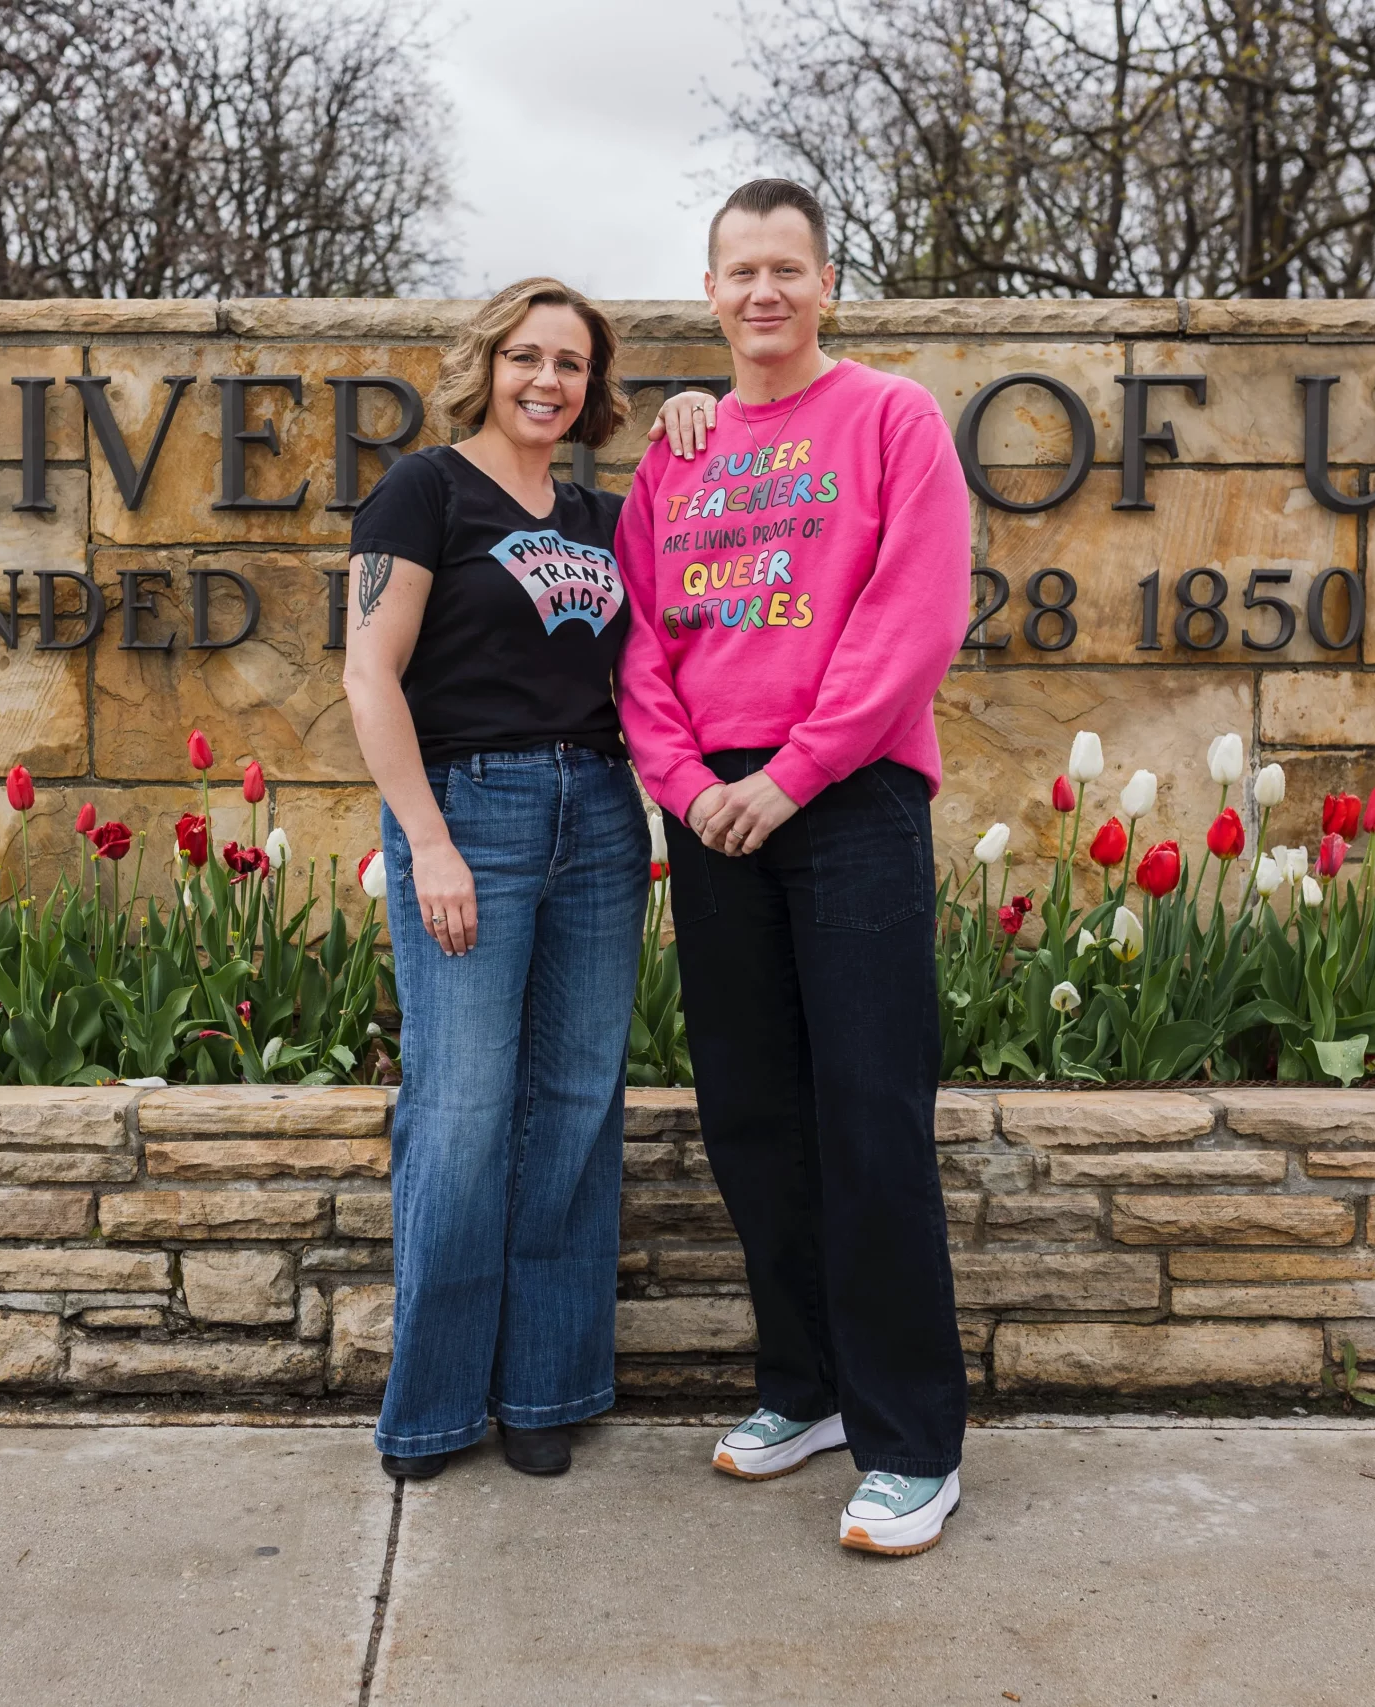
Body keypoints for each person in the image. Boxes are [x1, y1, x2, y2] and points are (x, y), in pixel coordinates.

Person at [617, 178, 974, 1556]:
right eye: (739, 270)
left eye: (788, 267)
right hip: (713, 813)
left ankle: (910, 1441)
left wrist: (795, 773)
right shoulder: (680, 452)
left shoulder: (890, 417)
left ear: (828, 282)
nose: (763, 291)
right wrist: (693, 786)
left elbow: (915, 613)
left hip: (850, 795)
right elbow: (643, 642)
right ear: (708, 292)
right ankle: (807, 1385)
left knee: (869, 1111)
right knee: (752, 1109)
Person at [342, 277, 647, 1481]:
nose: (547, 381)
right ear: (488, 362)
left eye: (570, 364)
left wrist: (692, 426)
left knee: (574, 1107)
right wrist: (427, 839)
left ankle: (547, 1392)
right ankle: (428, 1412)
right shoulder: (424, 490)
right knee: (462, 1113)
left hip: (601, 816)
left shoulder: (600, 516)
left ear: (591, 386)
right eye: (528, 356)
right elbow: (371, 676)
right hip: (472, 810)